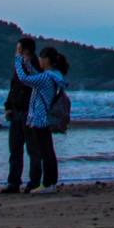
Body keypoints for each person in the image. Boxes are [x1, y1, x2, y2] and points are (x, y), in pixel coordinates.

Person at [15, 44, 70, 193]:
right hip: (46, 117)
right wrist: (26, 62)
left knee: (45, 152)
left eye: (41, 58)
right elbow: (35, 77)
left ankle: (47, 184)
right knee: (48, 151)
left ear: (46, 60)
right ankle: (50, 183)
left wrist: (18, 59)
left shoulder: (47, 77)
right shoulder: (54, 75)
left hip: (41, 118)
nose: (39, 60)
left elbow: (24, 78)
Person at [2, 37, 37, 194]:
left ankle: (34, 181)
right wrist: (9, 106)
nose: (16, 52)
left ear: (25, 50)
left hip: (29, 112)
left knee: (32, 149)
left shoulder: (34, 66)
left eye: (18, 49)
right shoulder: (19, 67)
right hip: (17, 111)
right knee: (15, 149)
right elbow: (13, 87)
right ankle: (13, 182)